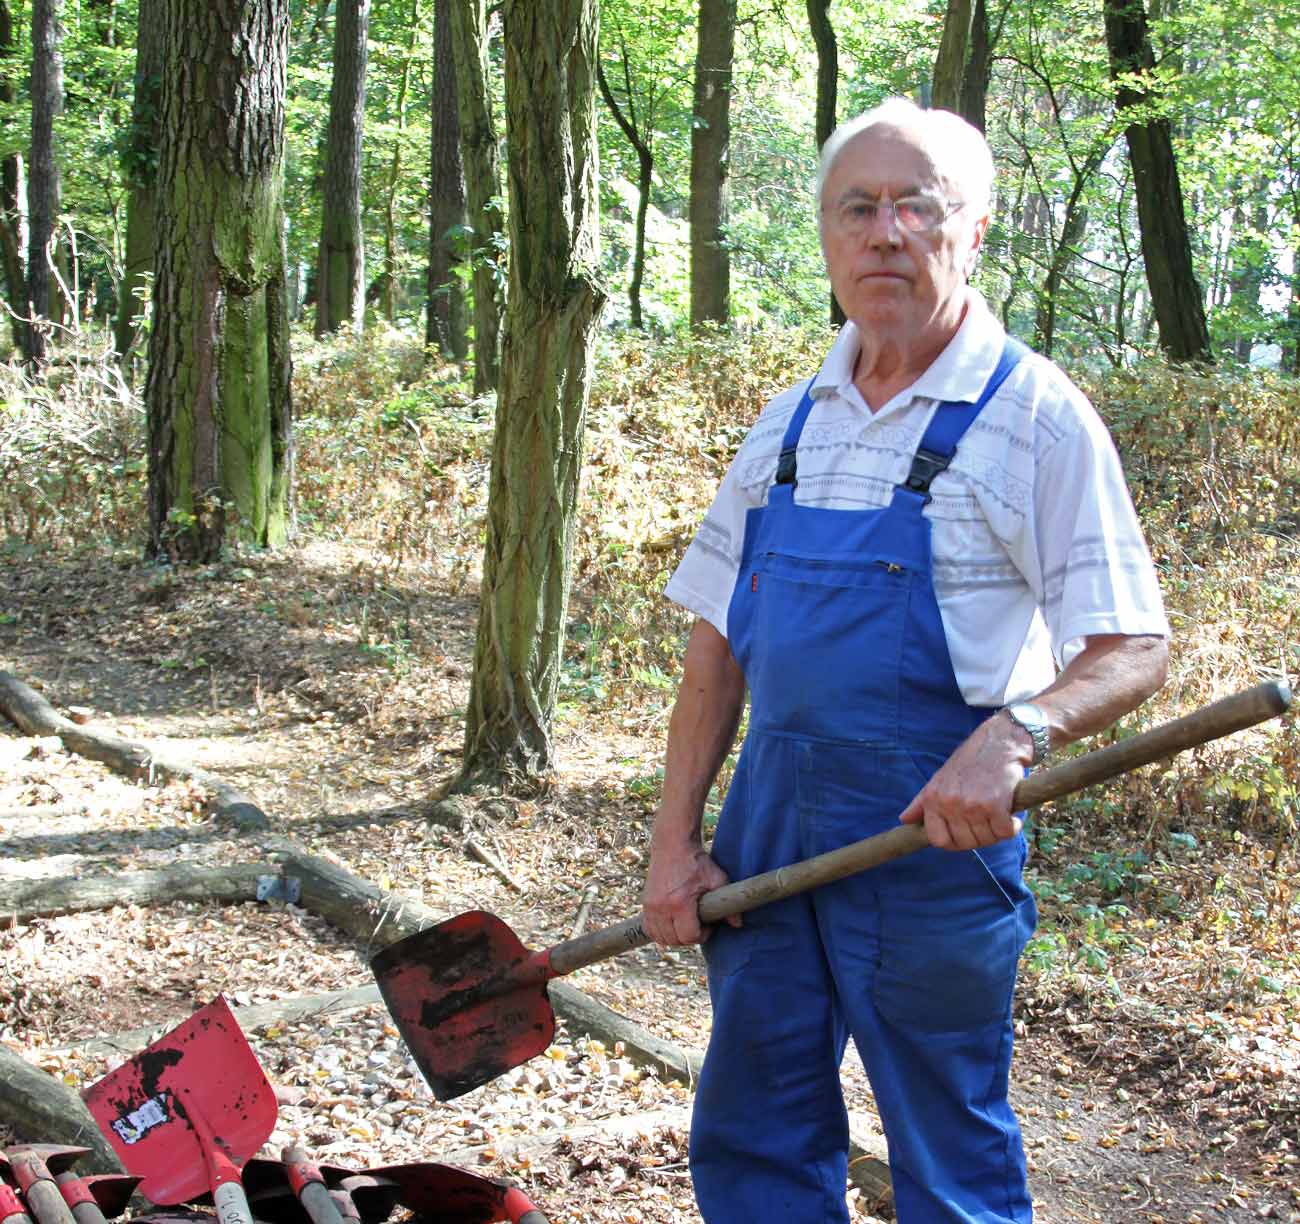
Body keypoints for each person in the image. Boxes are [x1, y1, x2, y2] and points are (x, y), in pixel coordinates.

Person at [640, 97, 1171, 1224]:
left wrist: (1013, 734)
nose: (886, 233)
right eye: (858, 207)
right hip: (768, 839)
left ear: (970, 229)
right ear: (827, 236)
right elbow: (715, 650)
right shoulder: (786, 425)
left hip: (933, 842)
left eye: (916, 207)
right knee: (755, 1132)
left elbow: (1132, 646)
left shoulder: (1035, 418)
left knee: (946, 1147)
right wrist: (676, 841)